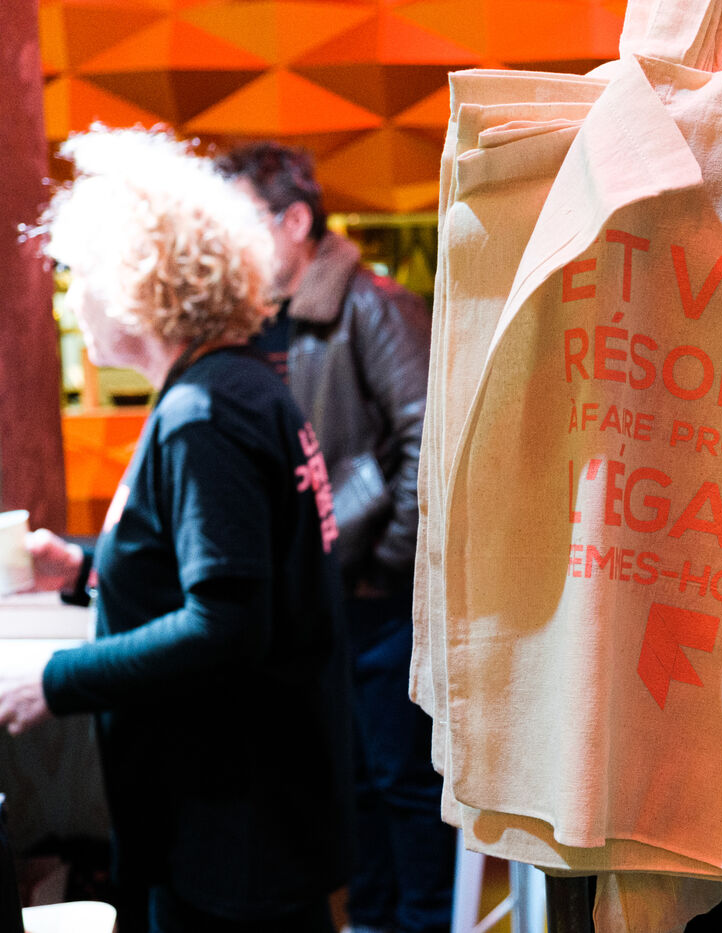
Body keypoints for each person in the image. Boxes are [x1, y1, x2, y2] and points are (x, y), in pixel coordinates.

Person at [0, 127, 353, 933]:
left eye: (80, 277)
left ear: (137, 284)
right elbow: (219, 563)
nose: (71, 300)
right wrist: (82, 565)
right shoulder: (237, 385)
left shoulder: (205, 412)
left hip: (235, 823)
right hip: (259, 807)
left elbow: (224, 622)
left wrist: (55, 681)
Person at [216, 143, 452, 933]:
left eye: (244, 218)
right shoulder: (260, 318)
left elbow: (431, 442)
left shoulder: (373, 304)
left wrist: (386, 565)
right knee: (351, 781)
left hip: (376, 594)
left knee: (404, 784)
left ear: (295, 220)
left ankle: (423, 924)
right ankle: (373, 920)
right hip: (320, 591)